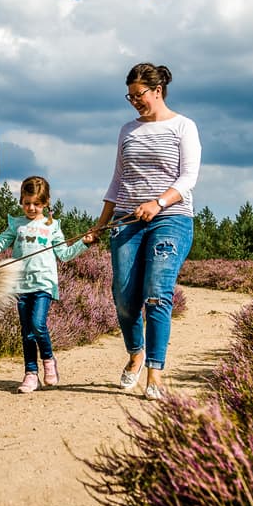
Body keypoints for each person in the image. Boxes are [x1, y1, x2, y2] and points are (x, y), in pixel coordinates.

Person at [91, 63, 201, 401]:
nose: (135, 101)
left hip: (172, 218)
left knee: (157, 291)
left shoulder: (184, 126)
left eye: (140, 95)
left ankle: (155, 371)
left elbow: (188, 178)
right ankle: (135, 352)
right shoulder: (128, 130)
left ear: (158, 90)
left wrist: (158, 202)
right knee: (124, 297)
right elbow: (117, 179)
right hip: (126, 218)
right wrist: (100, 222)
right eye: (130, 96)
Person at [0, 176, 95, 393]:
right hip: (21, 286)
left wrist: (84, 243)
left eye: (37, 204)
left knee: (37, 324)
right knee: (26, 332)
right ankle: (30, 374)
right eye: (27, 203)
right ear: (21, 200)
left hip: (44, 284)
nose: (31, 208)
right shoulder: (17, 224)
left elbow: (65, 254)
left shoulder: (53, 226)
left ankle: (49, 361)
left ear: (46, 203)